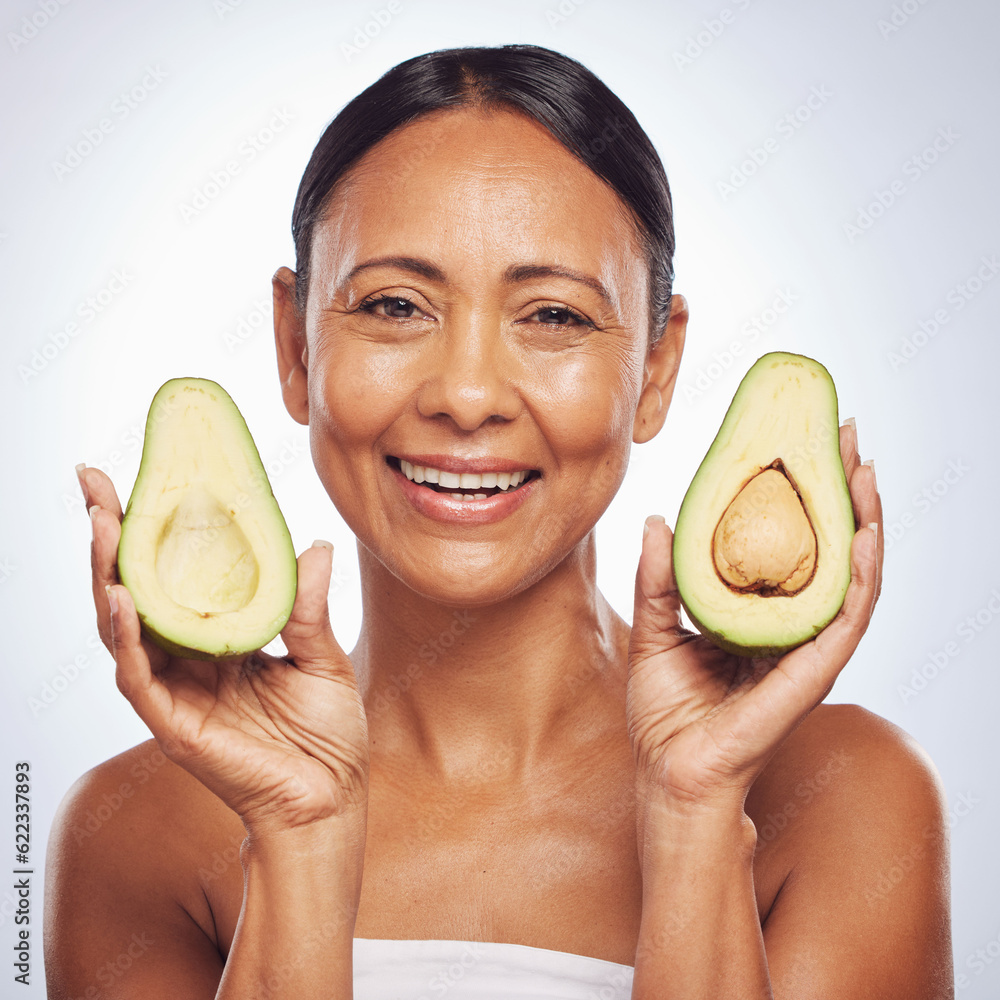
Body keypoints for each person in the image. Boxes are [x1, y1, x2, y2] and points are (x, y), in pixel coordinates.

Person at [44, 43, 952, 999]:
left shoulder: (847, 798)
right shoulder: (134, 830)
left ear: (655, 369)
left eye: (554, 316)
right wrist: (299, 835)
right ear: (295, 345)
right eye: (395, 304)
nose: (469, 395)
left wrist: (695, 810)